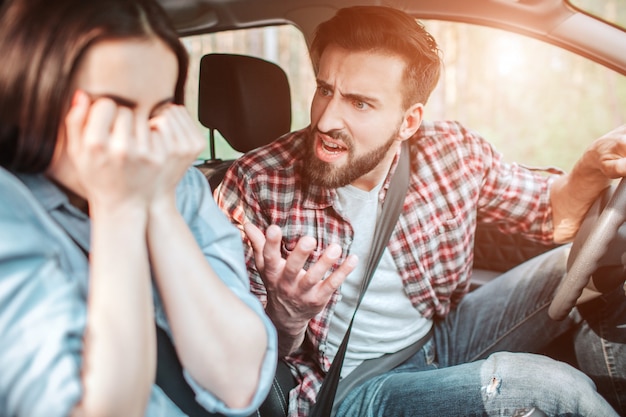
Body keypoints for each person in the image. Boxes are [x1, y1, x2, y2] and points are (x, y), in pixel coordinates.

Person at [215, 5, 626, 417]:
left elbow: (550, 214)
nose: (325, 120)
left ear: (409, 121)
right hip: (350, 387)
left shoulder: (452, 153)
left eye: (359, 103)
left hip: (440, 337)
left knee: (597, 265)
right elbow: (236, 362)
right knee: (551, 389)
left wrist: (589, 167)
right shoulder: (255, 184)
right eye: (325, 90)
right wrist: (286, 315)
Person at [0, 0, 277, 416]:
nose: (144, 145)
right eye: (116, 111)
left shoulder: (173, 179)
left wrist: (158, 203)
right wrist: (118, 208)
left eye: (158, 114)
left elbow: (239, 383)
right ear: (36, 93)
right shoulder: (11, 209)